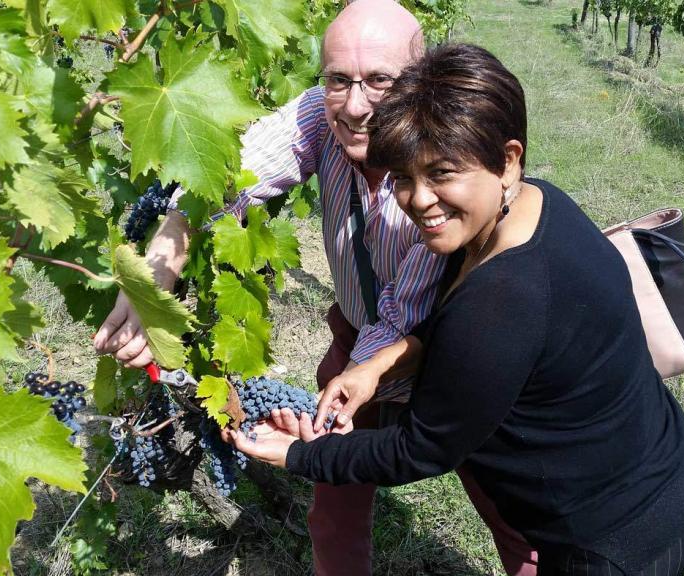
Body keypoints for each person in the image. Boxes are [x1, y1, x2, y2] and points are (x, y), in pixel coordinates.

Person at [226, 43, 684, 576]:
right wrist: (381, 363)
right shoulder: (537, 204)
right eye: (404, 178)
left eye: (442, 173)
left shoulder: (503, 300)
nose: (419, 200)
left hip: (613, 543)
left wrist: (297, 456)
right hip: (663, 468)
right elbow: (472, 331)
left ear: (507, 158)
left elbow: (421, 449)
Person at [92, 3, 538, 574]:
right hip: (359, 347)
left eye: (381, 80)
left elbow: (405, 313)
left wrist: (352, 392)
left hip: (454, 355)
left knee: (516, 525)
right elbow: (223, 183)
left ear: (421, 81)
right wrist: (153, 278)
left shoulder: (446, 175)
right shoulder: (317, 118)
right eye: (337, 80)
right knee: (333, 515)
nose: (354, 105)